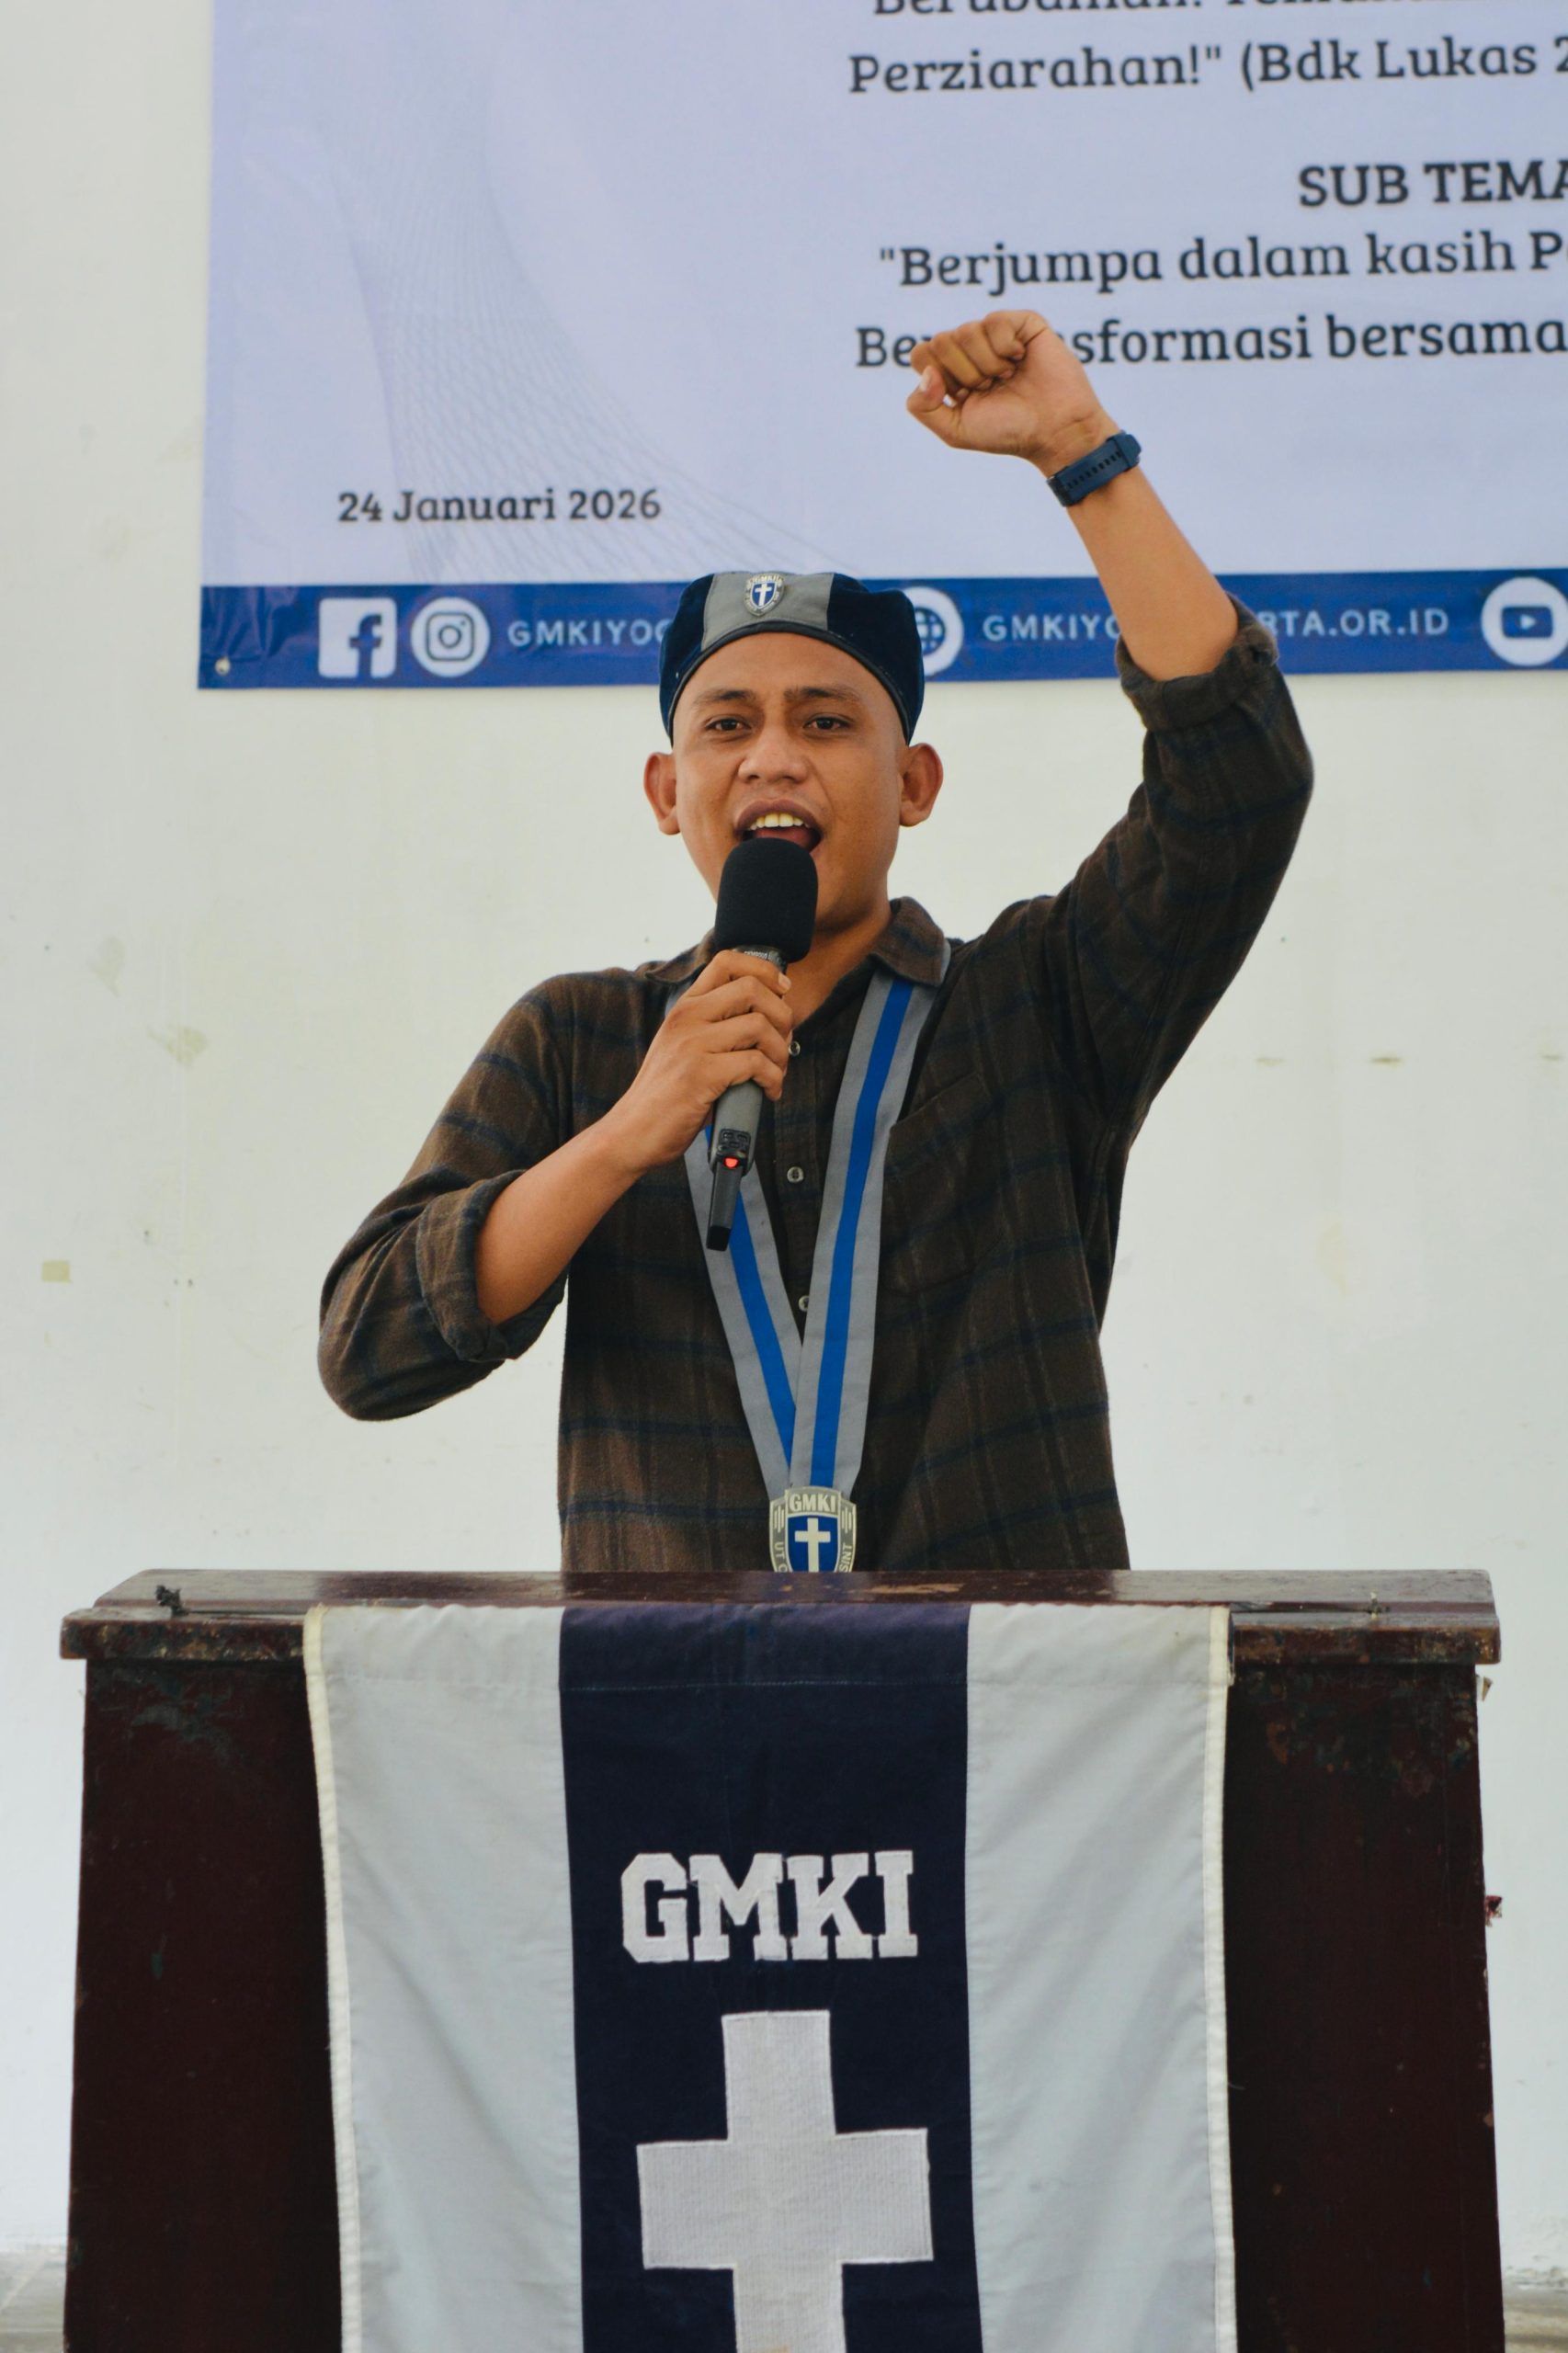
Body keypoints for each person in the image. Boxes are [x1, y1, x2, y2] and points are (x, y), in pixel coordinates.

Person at [318, 309, 1312, 1574]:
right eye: (726, 725)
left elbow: (1236, 788)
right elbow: (370, 1352)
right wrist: (627, 1132)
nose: (773, 757)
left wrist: (1078, 448)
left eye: (828, 722)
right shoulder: (579, 1037)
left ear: (915, 784)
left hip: (999, 1681)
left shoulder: (1035, 1000)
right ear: (667, 792)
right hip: (674, 1684)